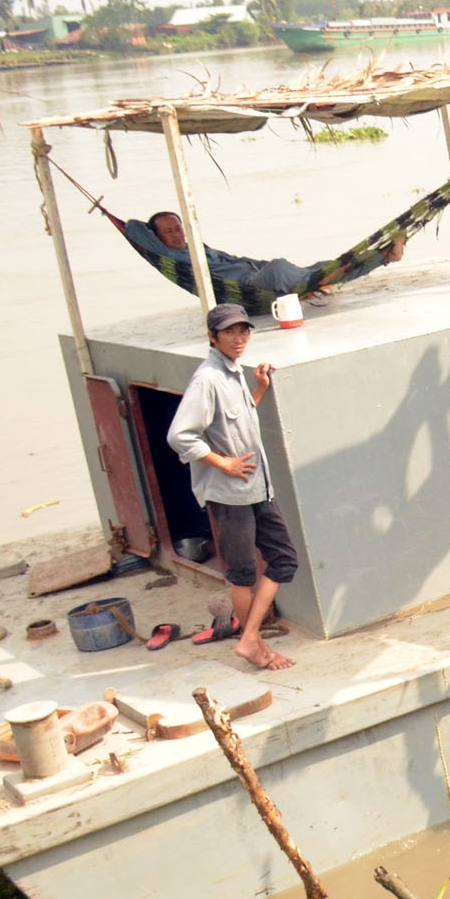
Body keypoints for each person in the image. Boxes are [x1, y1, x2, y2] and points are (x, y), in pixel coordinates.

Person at [166, 303, 298, 672]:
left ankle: (249, 637)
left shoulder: (233, 372)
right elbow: (180, 436)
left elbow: (235, 422)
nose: (239, 338)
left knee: (284, 558)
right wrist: (224, 463)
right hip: (230, 495)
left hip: (257, 487)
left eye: (243, 331)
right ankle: (255, 645)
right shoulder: (207, 379)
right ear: (213, 337)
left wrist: (259, 389)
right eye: (229, 332)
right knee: (242, 572)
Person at [137, 211, 403, 297]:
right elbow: (134, 229)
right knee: (281, 268)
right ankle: (313, 282)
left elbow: (234, 260)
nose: (177, 234)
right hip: (245, 287)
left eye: (178, 228)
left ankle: (384, 256)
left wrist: (259, 265)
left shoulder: (197, 247)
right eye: (168, 232)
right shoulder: (172, 258)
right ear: (157, 237)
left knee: (322, 267)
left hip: (254, 273)